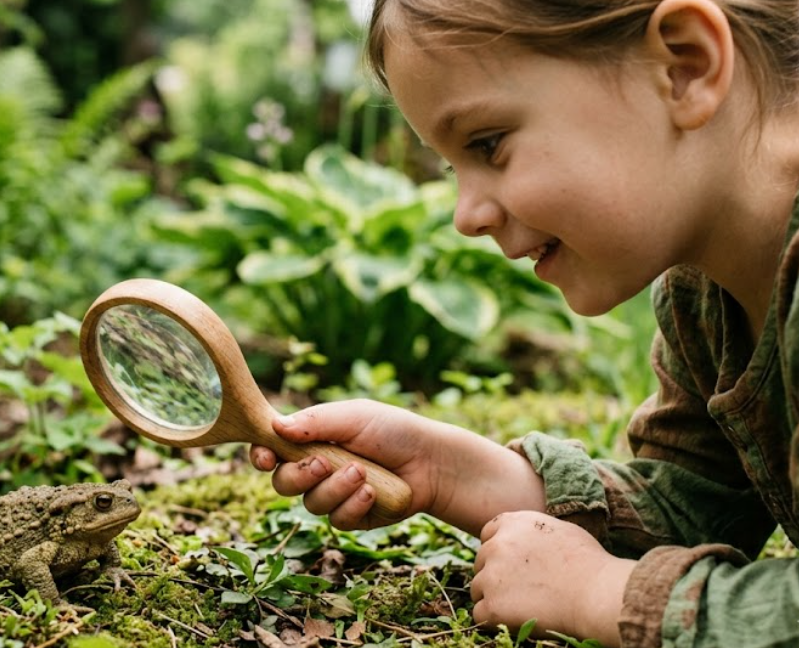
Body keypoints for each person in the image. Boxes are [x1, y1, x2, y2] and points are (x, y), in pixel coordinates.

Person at [248, 1, 799, 646]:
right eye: (453, 166)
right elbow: (692, 505)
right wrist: (450, 471)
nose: (466, 216)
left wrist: (601, 595)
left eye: (488, 143)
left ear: (685, 66)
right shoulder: (705, 297)